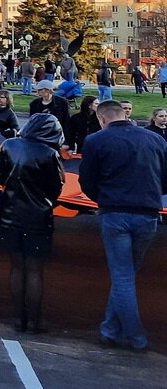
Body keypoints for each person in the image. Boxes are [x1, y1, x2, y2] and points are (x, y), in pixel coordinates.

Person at [79, 100, 167, 351]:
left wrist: (104, 199)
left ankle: (135, 337)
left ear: (102, 118)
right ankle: (110, 329)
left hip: (115, 212)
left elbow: (87, 181)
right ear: (124, 114)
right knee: (126, 275)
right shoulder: (155, 139)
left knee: (122, 277)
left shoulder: (97, 140)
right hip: (148, 212)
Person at [0, 114, 65, 333]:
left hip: (9, 213)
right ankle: (34, 322)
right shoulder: (49, 153)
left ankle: (18, 318)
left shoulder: (9, 145)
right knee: (34, 270)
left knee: (16, 267)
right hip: (38, 216)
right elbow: (56, 187)